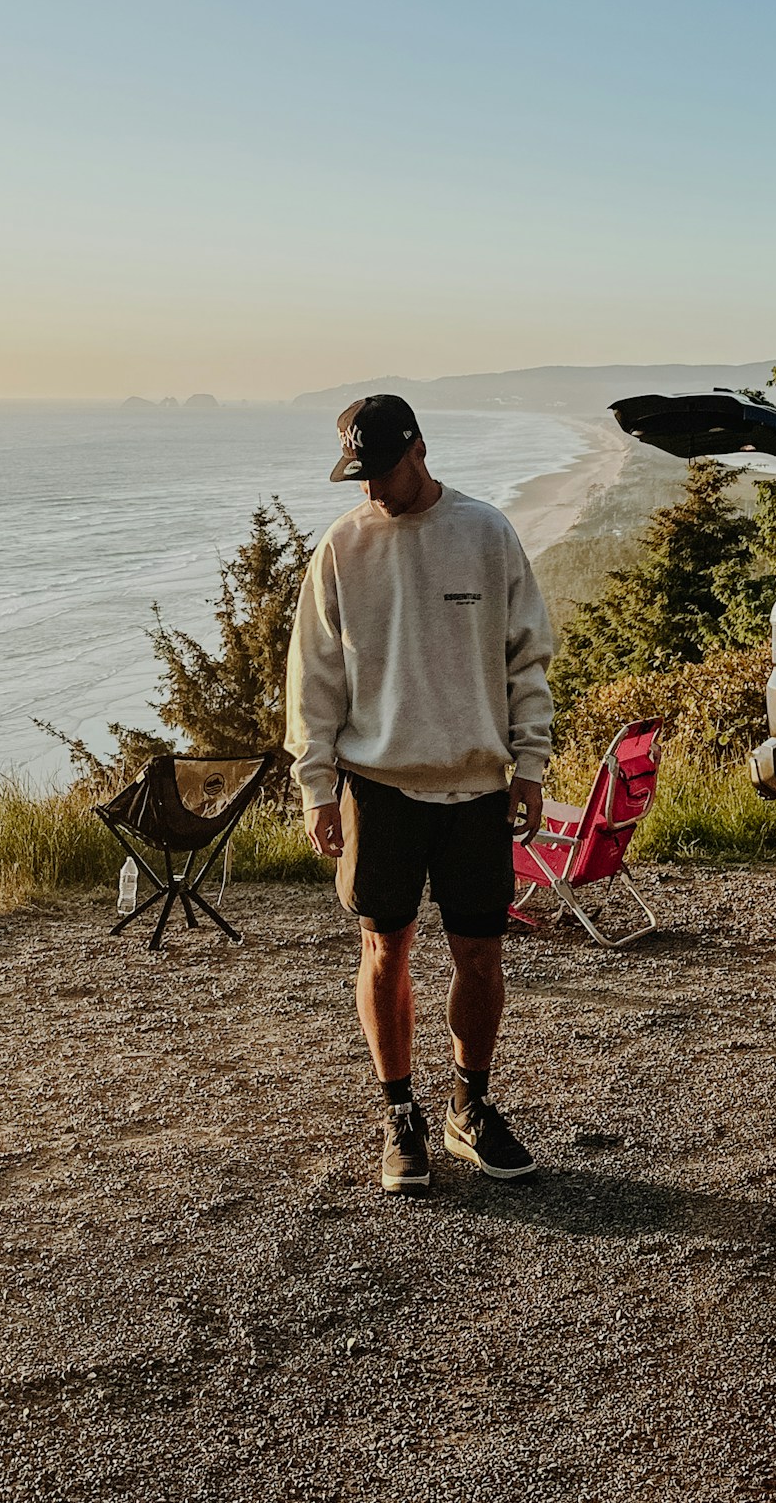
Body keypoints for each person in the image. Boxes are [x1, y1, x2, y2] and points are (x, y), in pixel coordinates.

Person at [286, 394, 554, 1196]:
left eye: (383, 471)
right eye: (358, 475)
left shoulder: (485, 532)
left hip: (476, 785)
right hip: (380, 788)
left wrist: (532, 765)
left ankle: (470, 1107)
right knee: (386, 949)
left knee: (480, 954)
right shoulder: (343, 547)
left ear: (422, 450)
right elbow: (315, 678)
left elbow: (526, 657)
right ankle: (400, 1116)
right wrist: (315, 785)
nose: (370, 489)